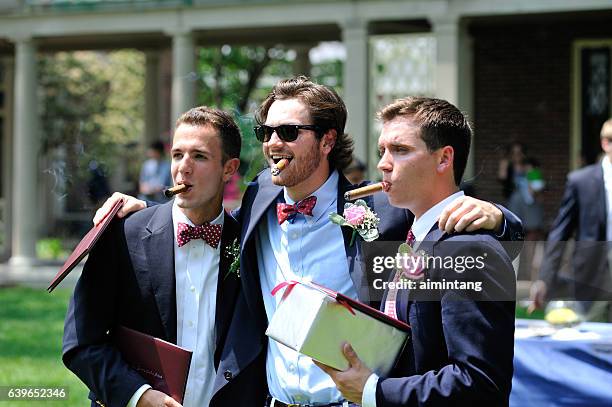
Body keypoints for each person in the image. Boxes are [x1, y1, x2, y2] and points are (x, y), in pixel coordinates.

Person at [94, 77, 523, 406]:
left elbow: (455, 229)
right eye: (265, 132)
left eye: (288, 131)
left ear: (327, 139)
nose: (272, 143)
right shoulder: (259, 197)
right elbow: (204, 220)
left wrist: (501, 219)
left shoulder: (383, 209)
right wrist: (143, 210)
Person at [316, 97, 516, 406]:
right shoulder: (408, 231)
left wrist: (373, 392)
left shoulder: (469, 248)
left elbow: (478, 383)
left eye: (400, 150)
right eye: (382, 150)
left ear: (443, 159)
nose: (383, 163)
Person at [62, 106, 242, 407]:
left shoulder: (250, 241)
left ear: (229, 168)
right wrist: (138, 396)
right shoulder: (122, 234)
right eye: (177, 155)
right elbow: (81, 342)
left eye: (199, 156)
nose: (183, 168)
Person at [530, 119, 612, 321]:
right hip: (592, 278)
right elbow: (561, 231)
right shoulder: (580, 182)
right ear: (606, 143)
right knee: (589, 342)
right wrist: (544, 279)